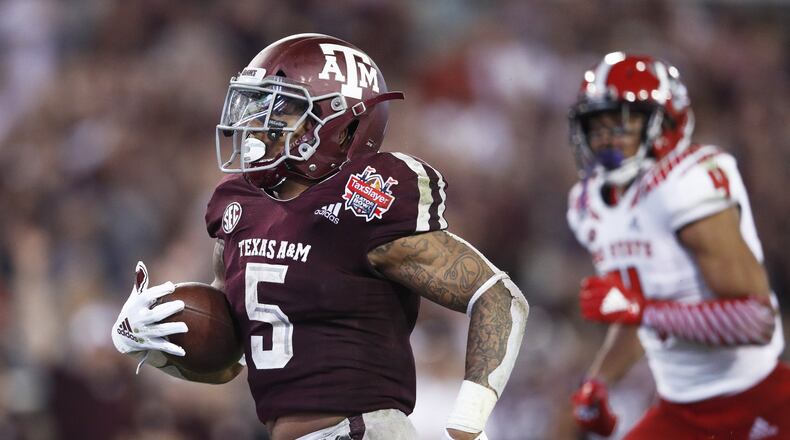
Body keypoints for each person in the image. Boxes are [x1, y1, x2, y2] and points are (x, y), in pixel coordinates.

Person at [110, 33, 529, 440]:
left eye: (281, 110)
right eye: (257, 107)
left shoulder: (364, 197)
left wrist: (468, 419)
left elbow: (496, 294)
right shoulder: (237, 205)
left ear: (343, 125)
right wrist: (155, 340)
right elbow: (233, 354)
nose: (258, 125)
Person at [565, 52, 790, 439]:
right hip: (680, 410)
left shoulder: (684, 185)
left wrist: (642, 310)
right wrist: (598, 383)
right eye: (596, 125)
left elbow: (757, 321)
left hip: (758, 397)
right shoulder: (589, 207)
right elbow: (637, 316)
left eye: (620, 123)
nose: (605, 138)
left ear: (664, 123)